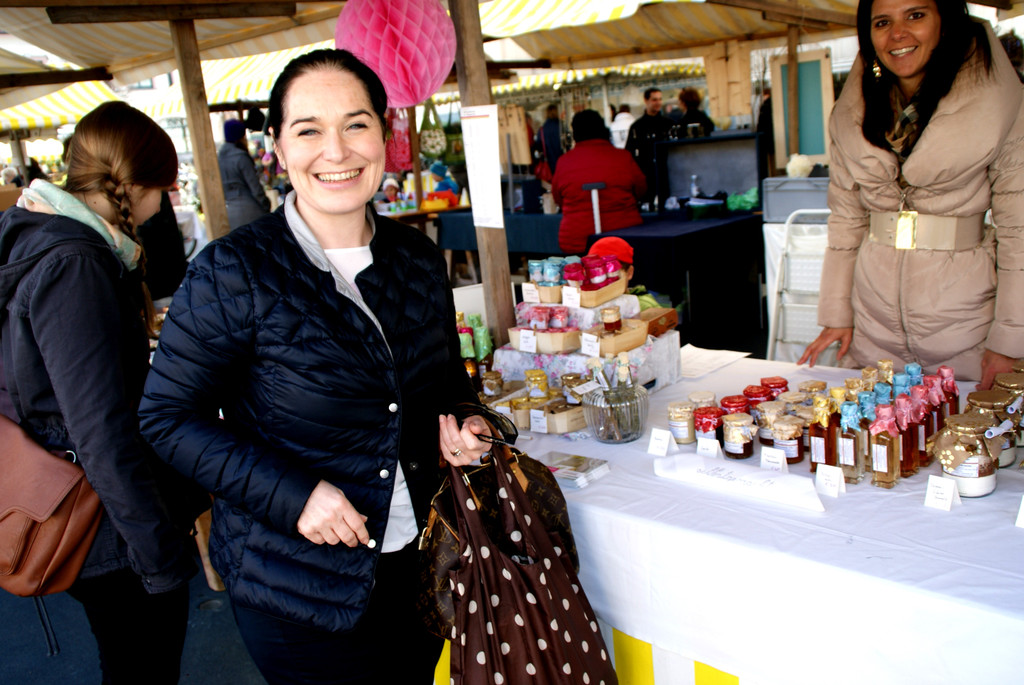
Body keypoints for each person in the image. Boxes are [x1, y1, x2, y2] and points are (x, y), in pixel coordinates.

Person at [138, 49, 500, 685]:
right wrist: (293, 493)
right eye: (308, 129)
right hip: (297, 584)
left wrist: (466, 424)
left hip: (419, 563)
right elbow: (168, 417)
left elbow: (443, 387)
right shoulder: (232, 271)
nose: (336, 150)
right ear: (277, 146)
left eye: (356, 124)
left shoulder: (416, 259)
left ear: (385, 138)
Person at [0, 102, 205, 683]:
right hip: (108, 526)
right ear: (136, 186)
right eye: (163, 190)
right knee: (141, 667)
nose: (164, 204)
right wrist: (158, 555)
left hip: (83, 509)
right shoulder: (75, 262)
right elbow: (99, 430)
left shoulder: (40, 237)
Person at [798, 0, 1024, 389]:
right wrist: (837, 313)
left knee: (966, 439)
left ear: (945, 21)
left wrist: (1010, 340)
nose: (897, 34)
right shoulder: (849, 111)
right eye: (882, 22)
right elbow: (846, 219)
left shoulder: (1001, 102)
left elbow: (1019, 226)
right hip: (872, 317)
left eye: (916, 15)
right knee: (872, 436)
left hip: (967, 318)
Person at [552, 109, 646, 254]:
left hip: (577, 239)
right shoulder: (623, 157)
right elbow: (641, 190)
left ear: (575, 133)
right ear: (603, 129)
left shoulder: (564, 162)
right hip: (622, 235)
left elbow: (558, 199)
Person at [587, 236, 666, 311]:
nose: (604, 284)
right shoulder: (586, 306)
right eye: (596, 277)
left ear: (629, 273)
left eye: (612, 276)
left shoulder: (644, 306)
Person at [219, 118, 271, 230]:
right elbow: (255, 188)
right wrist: (266, 206)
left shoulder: (219, 157)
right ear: (241, 136)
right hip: (251, 211)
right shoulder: (241, 156)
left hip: (229, 212)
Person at [625, 87, 673, 206]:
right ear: (646, 101)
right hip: (646, 173)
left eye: (660, 99)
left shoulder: (668, 124)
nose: (658, 103)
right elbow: (629, 151)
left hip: (666, 171)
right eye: (654, 100)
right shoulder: (637, 126)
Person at [535, 103, 564, 173]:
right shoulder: (562, 126)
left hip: (548, 164)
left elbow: (539, 147)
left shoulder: (542, 129)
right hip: (563, 161)